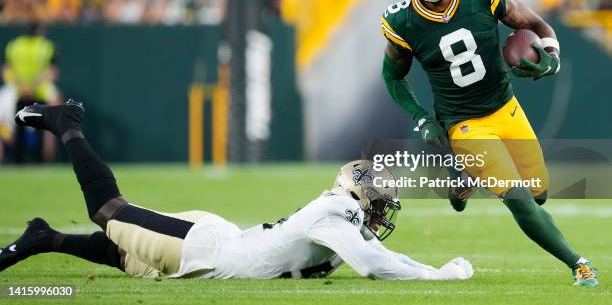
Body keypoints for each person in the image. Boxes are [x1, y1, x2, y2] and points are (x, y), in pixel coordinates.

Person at [0, 100, 473, 280]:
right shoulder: (336, 214)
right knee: (108, 212)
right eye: (378, 203)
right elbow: (375, 266)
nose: (379, 215)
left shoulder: (342, 219)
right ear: (356, 197)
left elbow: (385, 257)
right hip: (205, 246)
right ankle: (68, 125)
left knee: (129, 257)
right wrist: (443, 278)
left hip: (218, 244)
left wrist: (434, 268)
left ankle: (44, 238)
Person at [380, 0, 598, 286]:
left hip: (506, 107)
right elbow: (392, 77)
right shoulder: (402, 21)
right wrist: (421, 118)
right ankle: (579, 264)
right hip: (463, 124)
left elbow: (538, 25)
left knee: (538, 194)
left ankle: (461, 178)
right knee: (518, 198)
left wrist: (551, 58)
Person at [2, 23, 61, 162]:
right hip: (39, 92)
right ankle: (43, 159)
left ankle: (17, 159)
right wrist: (33, 86)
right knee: (43, 127)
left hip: (19, 91)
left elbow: (6, 70)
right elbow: (52, 71)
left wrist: (21, 86)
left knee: (18, 126)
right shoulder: (45, 46)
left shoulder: (14, 46)